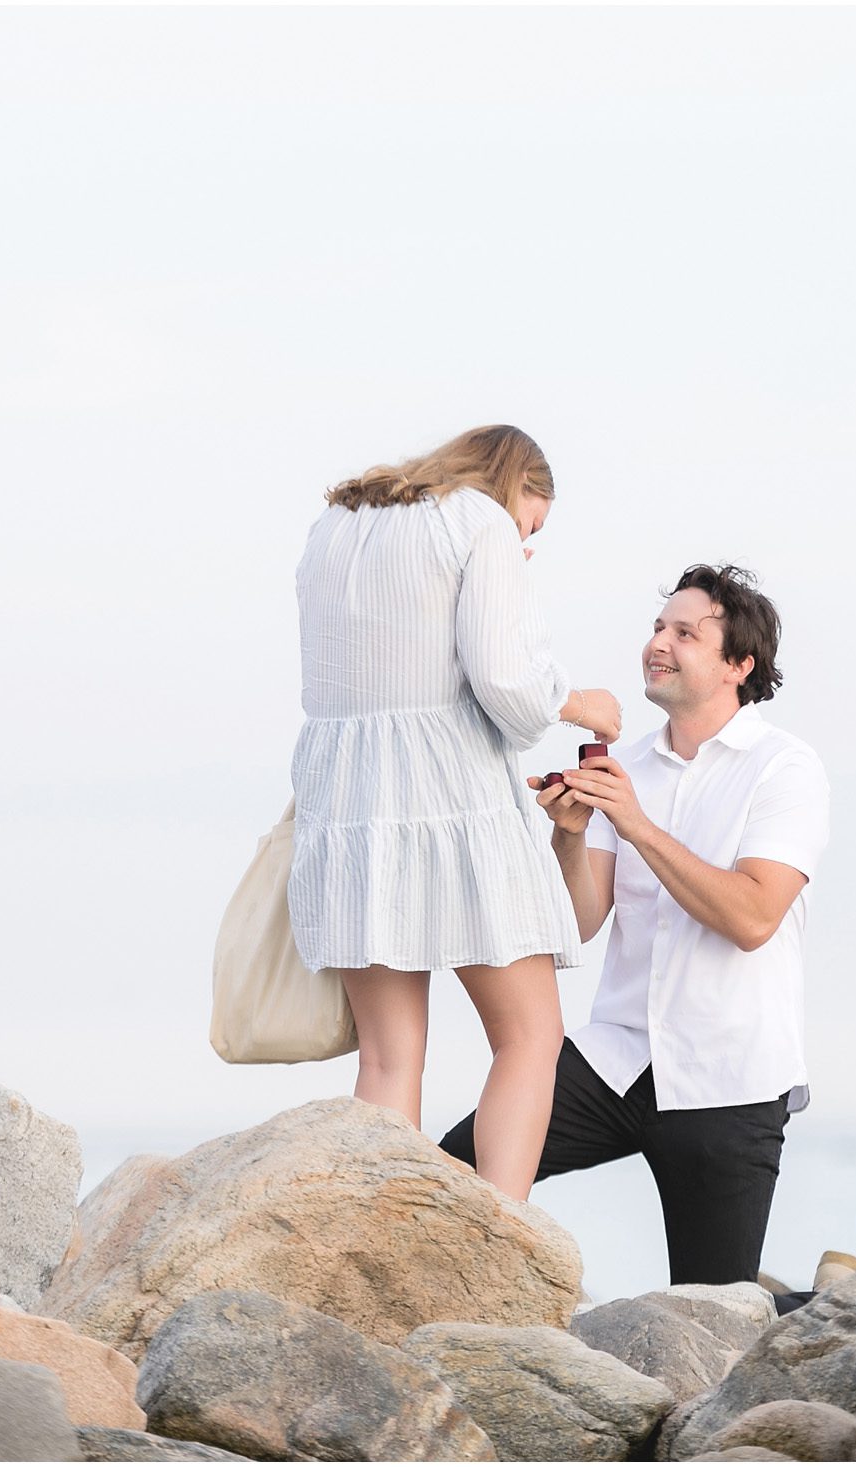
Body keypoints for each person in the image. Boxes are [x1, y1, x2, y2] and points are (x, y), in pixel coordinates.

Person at [439, 563, 831, 1298]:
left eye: (686, 633)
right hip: (615, 1057)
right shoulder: (631, 768)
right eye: (658, 626)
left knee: (711, 1318)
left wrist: (635, 823)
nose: (660, 643)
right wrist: (568, 833)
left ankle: (815, 1308)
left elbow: (752, 917)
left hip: (729, 1079)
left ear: (738, 665)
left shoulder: (786, 769)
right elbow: (581, 922)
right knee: (452, 1174)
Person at [290, 425, 622, 1201]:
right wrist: (581, 703)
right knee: (530, 1035)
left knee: (387, 1056)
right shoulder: (481, 523)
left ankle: (379, 1236)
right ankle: (502, 1236)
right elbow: (506, 686)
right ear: (516, 490)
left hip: (349, 806)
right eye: (530, 524)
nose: (525, 539)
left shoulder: (335, 525)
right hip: (452, 803)